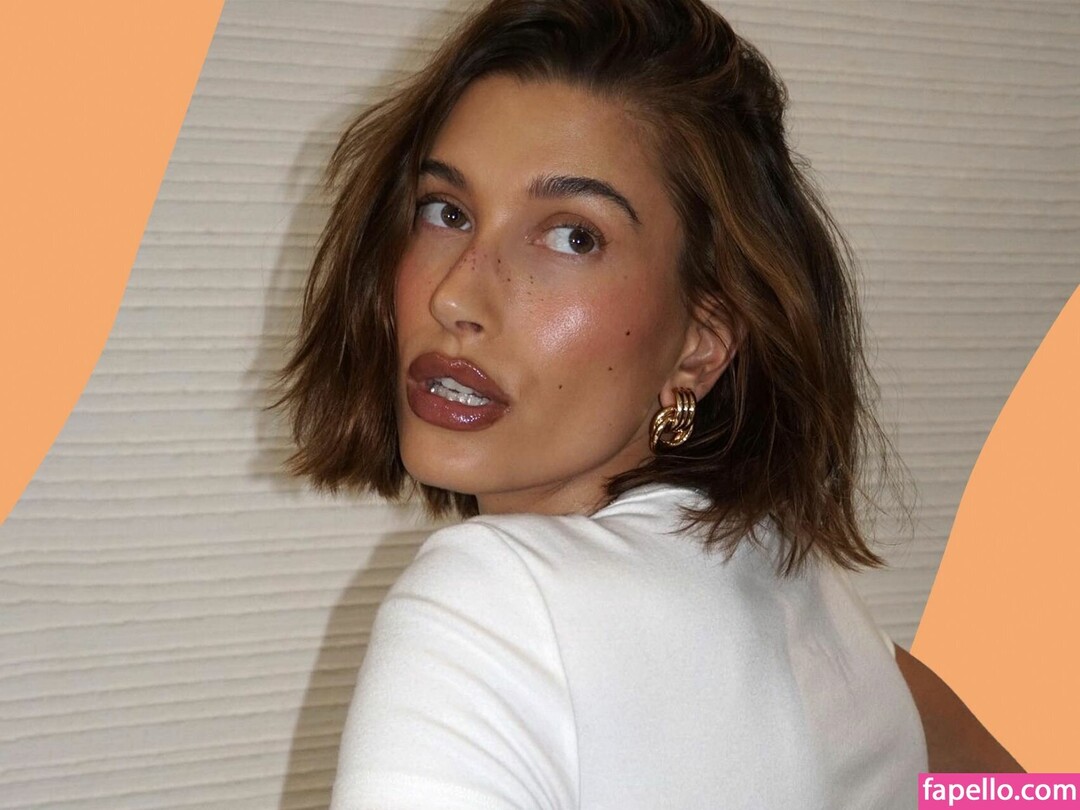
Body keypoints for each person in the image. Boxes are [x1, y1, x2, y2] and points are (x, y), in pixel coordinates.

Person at [270, 0, 1024, 806]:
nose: (454, 294)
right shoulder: (812, 598)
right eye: (446, 212)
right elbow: (1025, 793)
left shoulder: (492, 605)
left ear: (700, 342)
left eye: (573, 236)